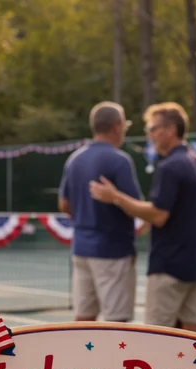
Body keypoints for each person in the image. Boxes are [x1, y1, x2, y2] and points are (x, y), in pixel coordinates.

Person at [89, 102, 196, 332]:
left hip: (169, 267)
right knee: (195, 331)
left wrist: (115, 196)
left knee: (155, 337)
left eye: (154, 129)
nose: (150, 136)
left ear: (171, 130)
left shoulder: (170, 167)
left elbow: (159, 215)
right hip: (194, 263)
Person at [58, 102, 142, 322]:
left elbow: (64, 205)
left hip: (81, 249)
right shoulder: (119, 160)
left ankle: (80, 358)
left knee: (83, 320)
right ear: (116, 126)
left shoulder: (74, 159)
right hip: (113, 252)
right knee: (117, 324)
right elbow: (136, 207)